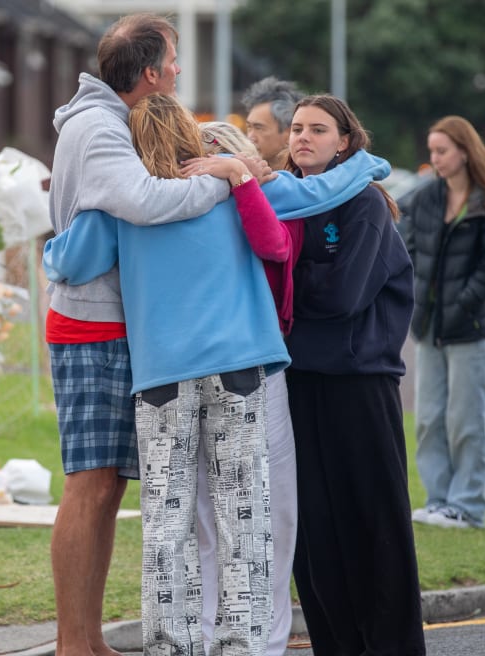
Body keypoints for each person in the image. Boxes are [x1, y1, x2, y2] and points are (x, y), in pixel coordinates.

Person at [44, 92, 391, 656]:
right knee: (243, 516)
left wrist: (54, 252)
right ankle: (243, 646)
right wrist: (366, 164)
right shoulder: (231, 186)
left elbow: (75, 261)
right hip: (239, 366)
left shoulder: (124, 203)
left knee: (169, 522)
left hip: (161, 374)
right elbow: (297, 214)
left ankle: (171, 646)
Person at [46, 14, 267, 656]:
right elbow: (146, 201)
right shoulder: (99, 127)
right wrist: (225, 177)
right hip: (92, 325)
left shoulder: (108, 121)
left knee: (107, 485)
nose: (178, 71)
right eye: (172, 61)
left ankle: (88, 640)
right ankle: (73, 644)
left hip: (111, 323)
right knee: (91, 482)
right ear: (149, 72)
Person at [283, 95, 426, 656]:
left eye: (318, 129)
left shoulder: (364, 203)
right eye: (297, 128)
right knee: (315, 530)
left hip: (359, 383)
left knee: (374, 525)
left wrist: (287, 283)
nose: (303, 136)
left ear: (344, 141)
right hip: (298, 381)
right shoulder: (284, 200)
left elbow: (344, 294)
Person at [194, 121, 302, 656]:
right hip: (201, 368)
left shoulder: (271, 196)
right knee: (204, 513)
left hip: (259, 362)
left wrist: (241, 178)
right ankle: (210, 633)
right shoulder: (185, 205)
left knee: (270, 506)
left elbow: (274, 246)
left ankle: (267, 639)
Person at [400, 116, 485, 530]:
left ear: (464, 152)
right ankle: (438, 502)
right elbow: (408, 249)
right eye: (432, 150)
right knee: (429, 418)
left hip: (468, 327)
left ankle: (467, 507)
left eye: (442, 151)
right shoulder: (424, 198)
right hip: (428, 326)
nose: (435, 158)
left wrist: (466, 302)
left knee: (466, 420)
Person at [242, 77, 305, 170]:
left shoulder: (308, 175)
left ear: (289, 134)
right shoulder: (239, 172)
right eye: (249, 127)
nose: (250, 138)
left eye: (259, 128)